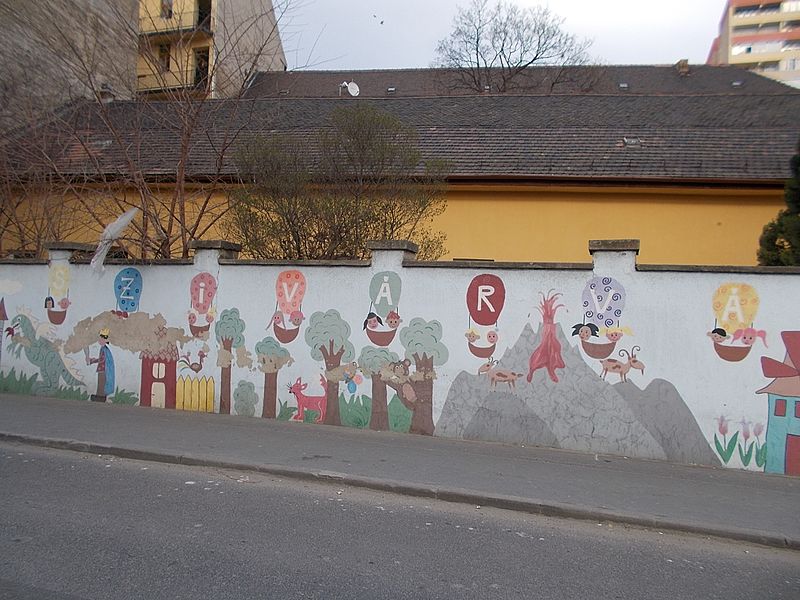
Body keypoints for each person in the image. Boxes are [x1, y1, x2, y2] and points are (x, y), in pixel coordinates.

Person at [86, 328, 115, 402]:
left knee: (102, 384)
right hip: (102, 369)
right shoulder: (103, 349)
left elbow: (102, 359)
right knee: (100, 383)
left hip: (103, 370)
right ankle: (100, 395)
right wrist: (94, 360)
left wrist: (94, 360)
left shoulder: (105, 350)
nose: (99, 340)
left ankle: (101, 396)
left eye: (101, 339)